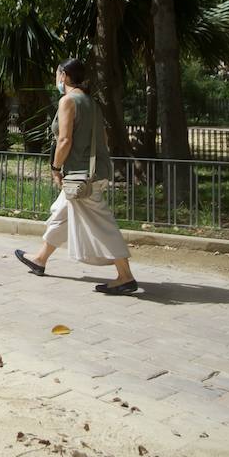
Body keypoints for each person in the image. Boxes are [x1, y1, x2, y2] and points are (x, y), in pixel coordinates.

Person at [14, 58, 137, 294]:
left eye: (56, 74)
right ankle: (40, 258)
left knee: (102, 226)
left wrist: (55, 167)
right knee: (61, 213)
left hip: (81, 177)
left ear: (64, 75)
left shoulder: (68, 100)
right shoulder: (91, 102)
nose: (56, 79)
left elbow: (64, 140)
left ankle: (125, 276)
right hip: (93, 172)